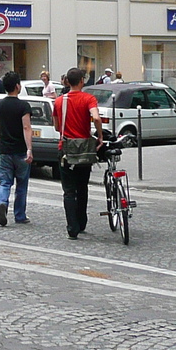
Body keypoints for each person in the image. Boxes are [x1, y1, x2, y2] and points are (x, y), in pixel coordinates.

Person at [53, 68, 103, 239]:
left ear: (67, 81)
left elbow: (56, 126)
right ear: (81, 81)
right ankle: (81, 222)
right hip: (84, 149)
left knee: (68, 190)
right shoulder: (89, 98)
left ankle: (71, 227)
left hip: (66, 148)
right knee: (82, 187)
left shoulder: (59, 101)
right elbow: (96, 117)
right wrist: (100, 135)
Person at [0, 71, 33, 228]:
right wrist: (29, 149)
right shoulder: (23, 106)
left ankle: (2, 202)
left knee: (4, 182)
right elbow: (26, 127)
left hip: (4, 150)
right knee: (22, 184)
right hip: (20, 150)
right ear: (17, 86)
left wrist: (1, 140)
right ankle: (20, 215)